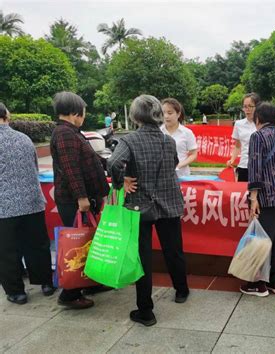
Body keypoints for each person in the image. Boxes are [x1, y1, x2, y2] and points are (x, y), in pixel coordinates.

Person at [108, 95, 189, 327]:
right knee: (173, 250)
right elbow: (173, 163)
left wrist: (120, 182)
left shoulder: (129, 140)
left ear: (135, 116)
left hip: (139, 204)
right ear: (157, 115)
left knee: (143, 257)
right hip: (169, 202)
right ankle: (181, 290)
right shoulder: (168, 141)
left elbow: (113, 163)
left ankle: (146, 311)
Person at [50, 92, 110, 310]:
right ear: (76, 113)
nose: (84, 116)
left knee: (88, 243)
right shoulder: (64, 134)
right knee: (77, 244)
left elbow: (89, 160)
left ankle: (89, 282)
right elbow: (71, 169)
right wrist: (82, 198)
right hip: (75, 200)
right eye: (83, 112)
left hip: (82, 198)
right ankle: (70, 293)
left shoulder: (71, 132)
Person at [0, 102, 55, 305]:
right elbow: (34, 167)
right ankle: (46, 284)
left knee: (7, 251)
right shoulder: (24, 139)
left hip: (4, 207)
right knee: (38, 244)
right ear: (7, 115)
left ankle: (16, 292)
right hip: (32, 201)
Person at [241, 102, 275, 297]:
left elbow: (254, 169)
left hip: (268, 196)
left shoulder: (256, 137)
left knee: (262, 240)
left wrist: (253, 197)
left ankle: (258, 283)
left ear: (258, 120)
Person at [227, 93, 261, 181]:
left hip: (260, 167)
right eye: (245, 106)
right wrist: (232, 160)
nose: (247, 109)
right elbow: (238, 146)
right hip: (244, 165)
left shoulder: (263, 124)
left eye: (250, 106)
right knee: (243, 192)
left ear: (257, 107)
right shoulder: (239, 124)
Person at [161, 98, 198, 178]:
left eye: (170, 113)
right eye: (163, 113)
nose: (166, 116)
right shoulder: (158, 132)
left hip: (182, 175)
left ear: (178, 114)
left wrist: (180, 165)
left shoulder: (187, 133)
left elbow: (193, 154)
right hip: (162, 176)